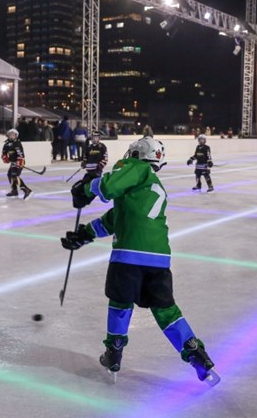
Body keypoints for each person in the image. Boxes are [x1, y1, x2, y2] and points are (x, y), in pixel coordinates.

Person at [61, 136, 219, 385]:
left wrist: (85, 188)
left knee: (121, 302)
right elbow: (117, 218)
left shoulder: (135, 167)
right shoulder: (151, 185)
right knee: (166, 309)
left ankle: (114, 352)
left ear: (137, 153)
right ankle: (195, 352)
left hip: (128, 255)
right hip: (159, 259)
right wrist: (85, 235)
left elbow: (108, 186)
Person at [1, 128, 33, 200]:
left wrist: (20, 162)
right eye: (10, 134)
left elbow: (20, 154)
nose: (12, 136)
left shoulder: (17, 143)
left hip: (18, 162)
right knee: (10, 175)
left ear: (16, 136)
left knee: (15, 176)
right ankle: (14, 191)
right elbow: (4, 153)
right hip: (13, 163)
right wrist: (4, 157)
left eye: (13, 135)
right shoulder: (6, 144)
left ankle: (27, 191)